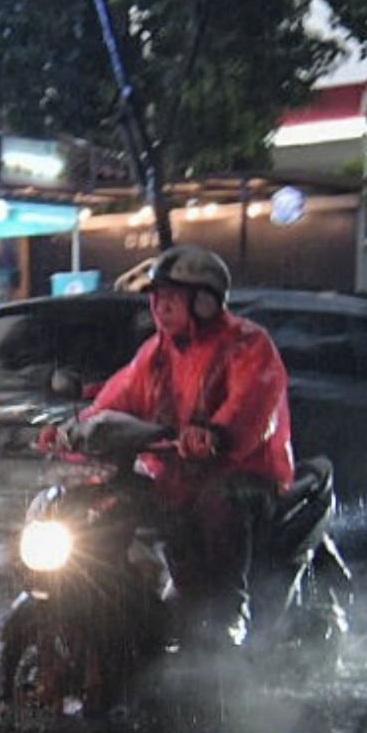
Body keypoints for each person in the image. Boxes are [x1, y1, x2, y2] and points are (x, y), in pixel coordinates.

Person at [77, 244, 295, 640]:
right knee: (111, 501)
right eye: (157, 297)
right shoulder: (156, 353)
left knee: (221, 500)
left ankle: (229, 615)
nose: (161, 307)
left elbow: (251, 404)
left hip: (245, 471)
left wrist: (216, 434)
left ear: (206, 301)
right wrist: (75, 430)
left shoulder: (247, 344)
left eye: (173, 298)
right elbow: (118, 397)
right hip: (176, 475)